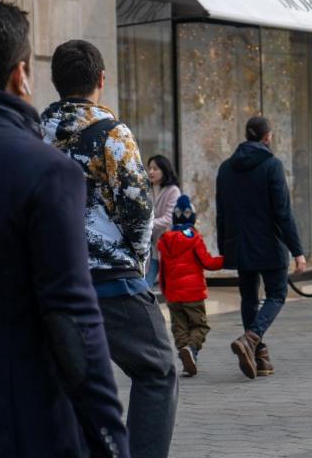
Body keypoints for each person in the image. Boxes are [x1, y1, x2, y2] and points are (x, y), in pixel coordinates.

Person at [0, 0, 129, 457]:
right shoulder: (43, 171)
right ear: (21, 74)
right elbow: (71, 319)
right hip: (12, 422)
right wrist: (109, 437)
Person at [42, 39, 177, 457]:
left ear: (55, 82)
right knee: (157, 369)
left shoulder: (32, 133)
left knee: (66, 383)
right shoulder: (112, 134)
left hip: (51, 280)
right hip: (111, 282)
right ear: (101, 79)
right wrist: (136, 264)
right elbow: (137, 211)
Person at [216, 116, 308, 379]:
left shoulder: (225, 168)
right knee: (277, 295)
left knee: (249, 298)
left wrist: (225, 248)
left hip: (240, 246)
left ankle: (259, 356)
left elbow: (221, 212)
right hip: (270, 244)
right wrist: (298, 251)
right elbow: (283, 212)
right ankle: (251, 339)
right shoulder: (272, 165)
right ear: (267, 137)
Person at [157, 195, 225, 377]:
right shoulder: (194, 238)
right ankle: (191, 349)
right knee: (200, 326)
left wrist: (165, 292)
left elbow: (162, 270)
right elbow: (207, 262)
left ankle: (186, 356)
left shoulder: (165, 240)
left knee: (179, 328)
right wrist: (226, 260)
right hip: (193, 294)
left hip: (173, 295)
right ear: (192, 218)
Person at [147, 154, 181, 286]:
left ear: (164, 170)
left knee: (169, 284)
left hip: (167, 245)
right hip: (151, 246)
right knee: (146, 283)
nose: (151, 172)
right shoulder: (147, 190)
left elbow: (168, 218)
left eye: (155, 169)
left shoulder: (173, 191)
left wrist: (146, 225)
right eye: (149, 168)